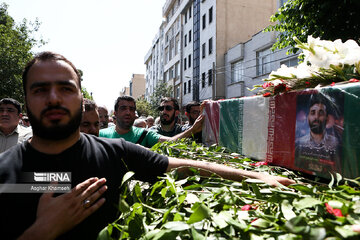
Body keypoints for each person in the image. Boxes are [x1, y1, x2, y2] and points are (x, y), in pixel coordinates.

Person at [0, 51, 294, 239]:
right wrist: (41, 233)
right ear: (26, 100)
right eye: (40, 89)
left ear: (81, 98)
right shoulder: (6, 174)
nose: (53, 98)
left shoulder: (114, 154)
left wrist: (259, 177)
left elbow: (185, 167)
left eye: (66, 88)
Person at [99, 96, 203, 148]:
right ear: (115, 113)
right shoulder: (100, 135)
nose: (128, 112)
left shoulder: (145, 134)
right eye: (123, 108)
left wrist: (193, 130)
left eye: (131, 109)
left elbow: (170, 142)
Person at [295, 94, 341, 174]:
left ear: (327, 117)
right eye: (313, 113)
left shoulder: (335, 143)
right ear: (308, 117)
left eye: (321, 113)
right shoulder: (299, 143)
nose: (316, 117)